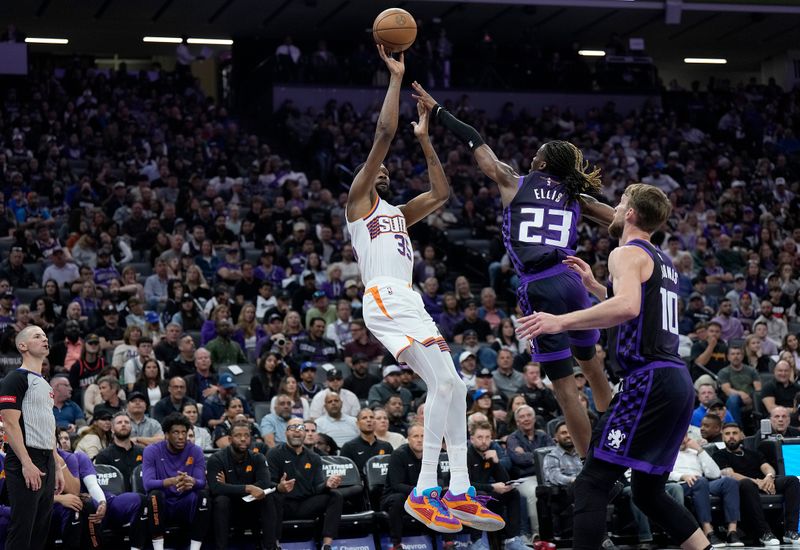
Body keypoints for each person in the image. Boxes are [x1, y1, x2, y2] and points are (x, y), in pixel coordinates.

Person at [412, 83, 613, 460]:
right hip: (572, 279)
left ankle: (591, 463)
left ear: (541, 163)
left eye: (536, 154)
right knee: (593, 366)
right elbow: (621, 220)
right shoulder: (577, 197)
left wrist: (438, 111)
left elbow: (474, 141)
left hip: (540, 286)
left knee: (565, 388)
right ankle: (621, 439)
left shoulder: (513, 180)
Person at [344, 48, 501, 533]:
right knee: (447, 385)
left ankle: (457, 491)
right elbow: (384, 135)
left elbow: (441, 195)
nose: (383, 172)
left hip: (407, 299)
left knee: (451, 386)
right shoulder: (359, 203)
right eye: (378, 171)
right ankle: (426, 490)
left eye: (388, 171)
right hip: (384, 296)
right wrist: (396, 79)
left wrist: (427, 139)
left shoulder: (397, 213)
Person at [516, 184, 709, 549]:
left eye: (620, 203)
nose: (616, 209)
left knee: (592, 481)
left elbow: (627, 309)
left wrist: (560, 321)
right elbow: (639, 309)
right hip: (676, 381)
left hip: (648, 379)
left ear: (632, 214)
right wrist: (594, 287)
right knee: (648, 493)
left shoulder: (626, 253)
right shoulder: (663, 260)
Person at [0, 326, 66, 550]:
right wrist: (26, 463)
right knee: (22, 529)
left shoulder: (45, 384)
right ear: (23, 346)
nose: (44, 339)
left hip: (46, 458)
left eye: (46, 336)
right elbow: (9, 423)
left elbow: (47, 427)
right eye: (37, 336)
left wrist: (56, 463)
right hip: (25, 458)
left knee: (40, 531)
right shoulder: (15, 378)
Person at [712, 423, 799, 545]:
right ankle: (764, 533)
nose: (731, 436)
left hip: (762, 483)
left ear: (742, 435)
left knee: (792, 480)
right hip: (742, 486)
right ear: (723, 437)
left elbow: (767, 467)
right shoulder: (719, 455)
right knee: (747, 483)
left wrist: (768, 478)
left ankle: (791, 531)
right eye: (727, 434)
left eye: (734, 433)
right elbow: (730, 474)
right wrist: (757, 482)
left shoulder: (752, 453)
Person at [267, 417, 344, 550]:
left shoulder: (314, 458)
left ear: (304, 434)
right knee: (272, 497)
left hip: (306, 504)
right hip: (284, 504)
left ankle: (326, 545)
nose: (297, 431)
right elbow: (267, 484)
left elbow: (318, 486)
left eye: (301, 428)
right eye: (292, 428)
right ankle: (275, 544)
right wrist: (279, 487)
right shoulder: (274, 454)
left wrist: (327, 484)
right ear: (285, 433)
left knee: (335, 495)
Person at [206, 421, 278, 550]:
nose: (243, 439)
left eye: (246, 435)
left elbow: (264, 483)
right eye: (238, 435)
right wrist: (249, 488)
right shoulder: (216, 459)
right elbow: (215, 488)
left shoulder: (258, 457)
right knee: (221, 500)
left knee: (268, 498)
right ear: (229, 439)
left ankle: (270, 547)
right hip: (230, 508)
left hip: (251, 506)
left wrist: (228, 486)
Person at [142, 412, 209, 550]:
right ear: (166, 434)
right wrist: (171, 481)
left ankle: (195, 548)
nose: (181, 437)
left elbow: (202, 482)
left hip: (185, 501)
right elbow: (147, 484)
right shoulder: (151, 451)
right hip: (163, 502)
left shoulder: (195, 451)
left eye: (184, 432)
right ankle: (158, 547)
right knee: (154, 495)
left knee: (203, 495)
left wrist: (192, 482)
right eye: (176, 432)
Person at [669, 434, 743, 547]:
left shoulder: (695, 451)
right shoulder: (667, 452)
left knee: (729, 482)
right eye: (680, 436)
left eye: (685, 437)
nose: (683, 440)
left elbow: (715, 474)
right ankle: (708, 531)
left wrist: (700, 450)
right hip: (679, 484)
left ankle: (732, 532)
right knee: (701, 482)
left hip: (701, 483)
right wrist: (683, 476)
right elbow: (664, 472)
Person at [467, 421, 527, 550]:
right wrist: (492, 487)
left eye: (487, 437)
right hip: (465, 500)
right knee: (480, 495)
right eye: (480, 437)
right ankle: (476, 542)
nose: (484, 441)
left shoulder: (489, 454)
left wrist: (496, 462)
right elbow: (466, 485)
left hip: (485, 496)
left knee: (513, 493)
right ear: (472, 439)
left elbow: (504, 480)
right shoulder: (465, 455)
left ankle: (512, 539)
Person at [94, 412, 145, 493]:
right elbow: (102, 486)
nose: (123, 424)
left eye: (127, 422)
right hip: (116, 500)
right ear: (112, 429)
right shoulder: (103, 456)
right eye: (119, 422)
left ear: (131, 427)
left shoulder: (143, 452)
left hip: (142, 497)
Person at [340, 408, 393, 474]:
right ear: (357, 424)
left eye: (371, 417)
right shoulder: (348, 447)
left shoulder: (386, 446)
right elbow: (345, 474)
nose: (369, 420)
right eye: (364, 418)